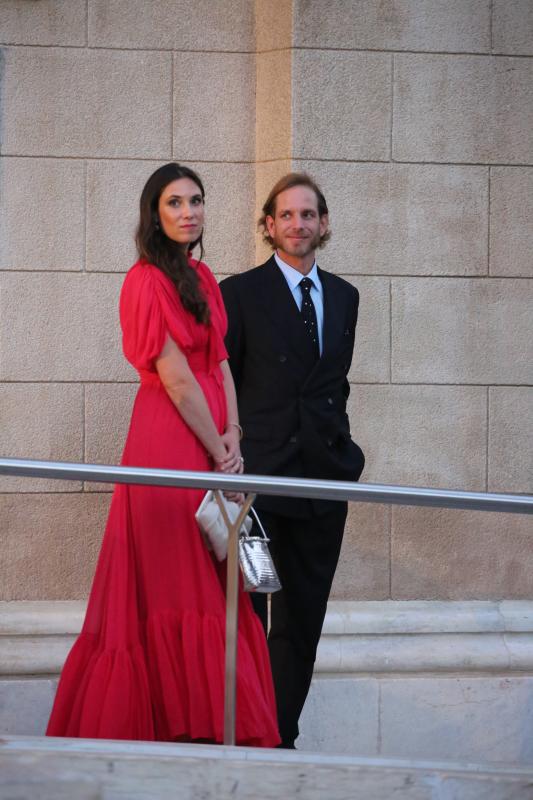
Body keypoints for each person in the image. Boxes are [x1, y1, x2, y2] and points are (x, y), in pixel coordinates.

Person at [46, 163, 280, 747]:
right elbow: (176, 381)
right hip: (167, 441)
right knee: (177, 580)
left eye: (195, 201)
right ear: (155, 213)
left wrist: (234, 436)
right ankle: (169, 725)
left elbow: (220, 363)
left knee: (210, 578)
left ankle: (205, 724)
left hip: (211, 439)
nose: (188, 212)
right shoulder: (144, 280)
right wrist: (218, 448)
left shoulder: (202, 276)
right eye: (174, 202)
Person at [219, 173, 365, 749]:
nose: (298, 224)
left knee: (303, 618)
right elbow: (223, 383)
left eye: (309, 215)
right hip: (258, 492)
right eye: (286, 215)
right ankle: (247, 731)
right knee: (252, 614)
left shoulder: (348, 296)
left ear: (322, 224)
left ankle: (280, 737)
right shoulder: (240, 293)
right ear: (269, 224)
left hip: (324, 487)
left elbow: (334, 385)